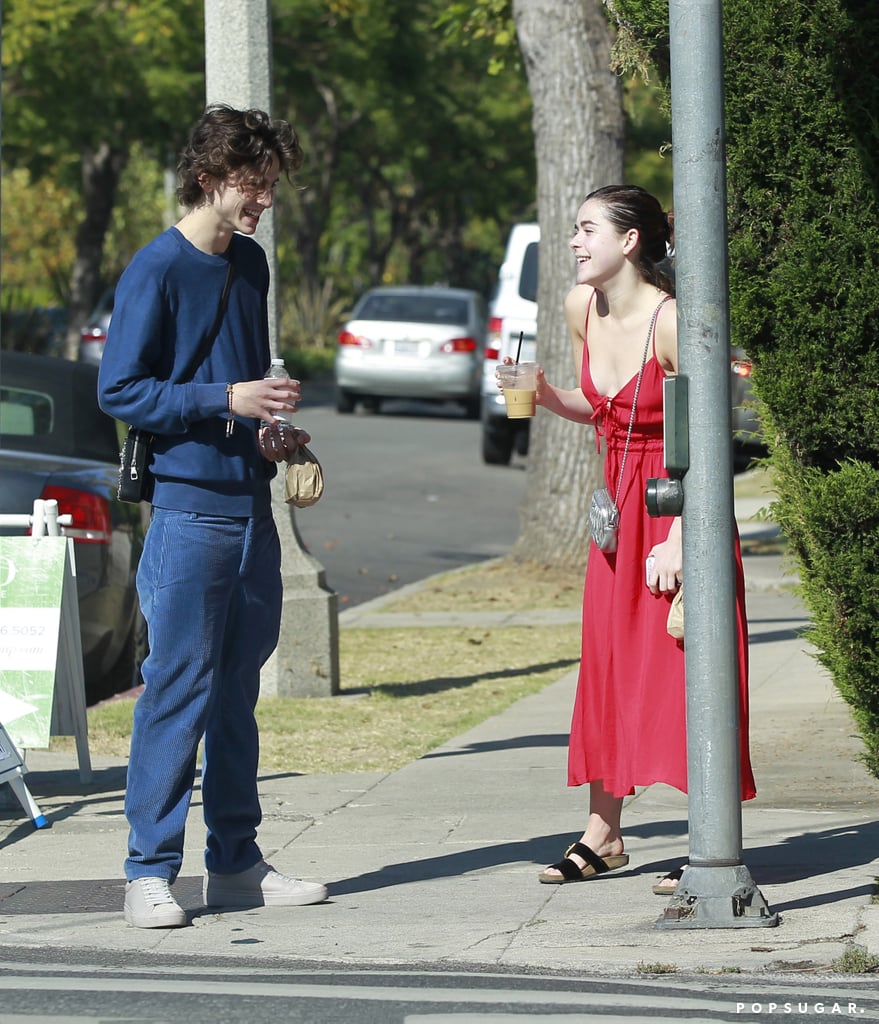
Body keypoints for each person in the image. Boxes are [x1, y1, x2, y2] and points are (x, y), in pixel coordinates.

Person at [98, 104, 328, 928]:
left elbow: (237, 388)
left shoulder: (252, 265)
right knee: (175, 692)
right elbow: (118, 391)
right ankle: (147, 872)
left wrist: (268, 427)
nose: (262, 200)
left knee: (235, 695)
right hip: (188, 515)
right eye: (250, 186)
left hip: (250, 509)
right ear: (208, 178)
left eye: (269, 186)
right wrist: (222, 397)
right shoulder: (155, 268)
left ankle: (236, 864)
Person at [511, 185, 756, 891]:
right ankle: (603, 833)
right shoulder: (579, 306)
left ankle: (706, 837)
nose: (574, 242)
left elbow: (707, 439)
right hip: (617, 513)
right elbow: (604, 409)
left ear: (629, 241)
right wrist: (544, 392)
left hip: (680, 507)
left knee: (684, 672)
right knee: (611, 669)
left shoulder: (674, 323)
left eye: (587, 230)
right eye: (572, 230)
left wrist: (685, 537)